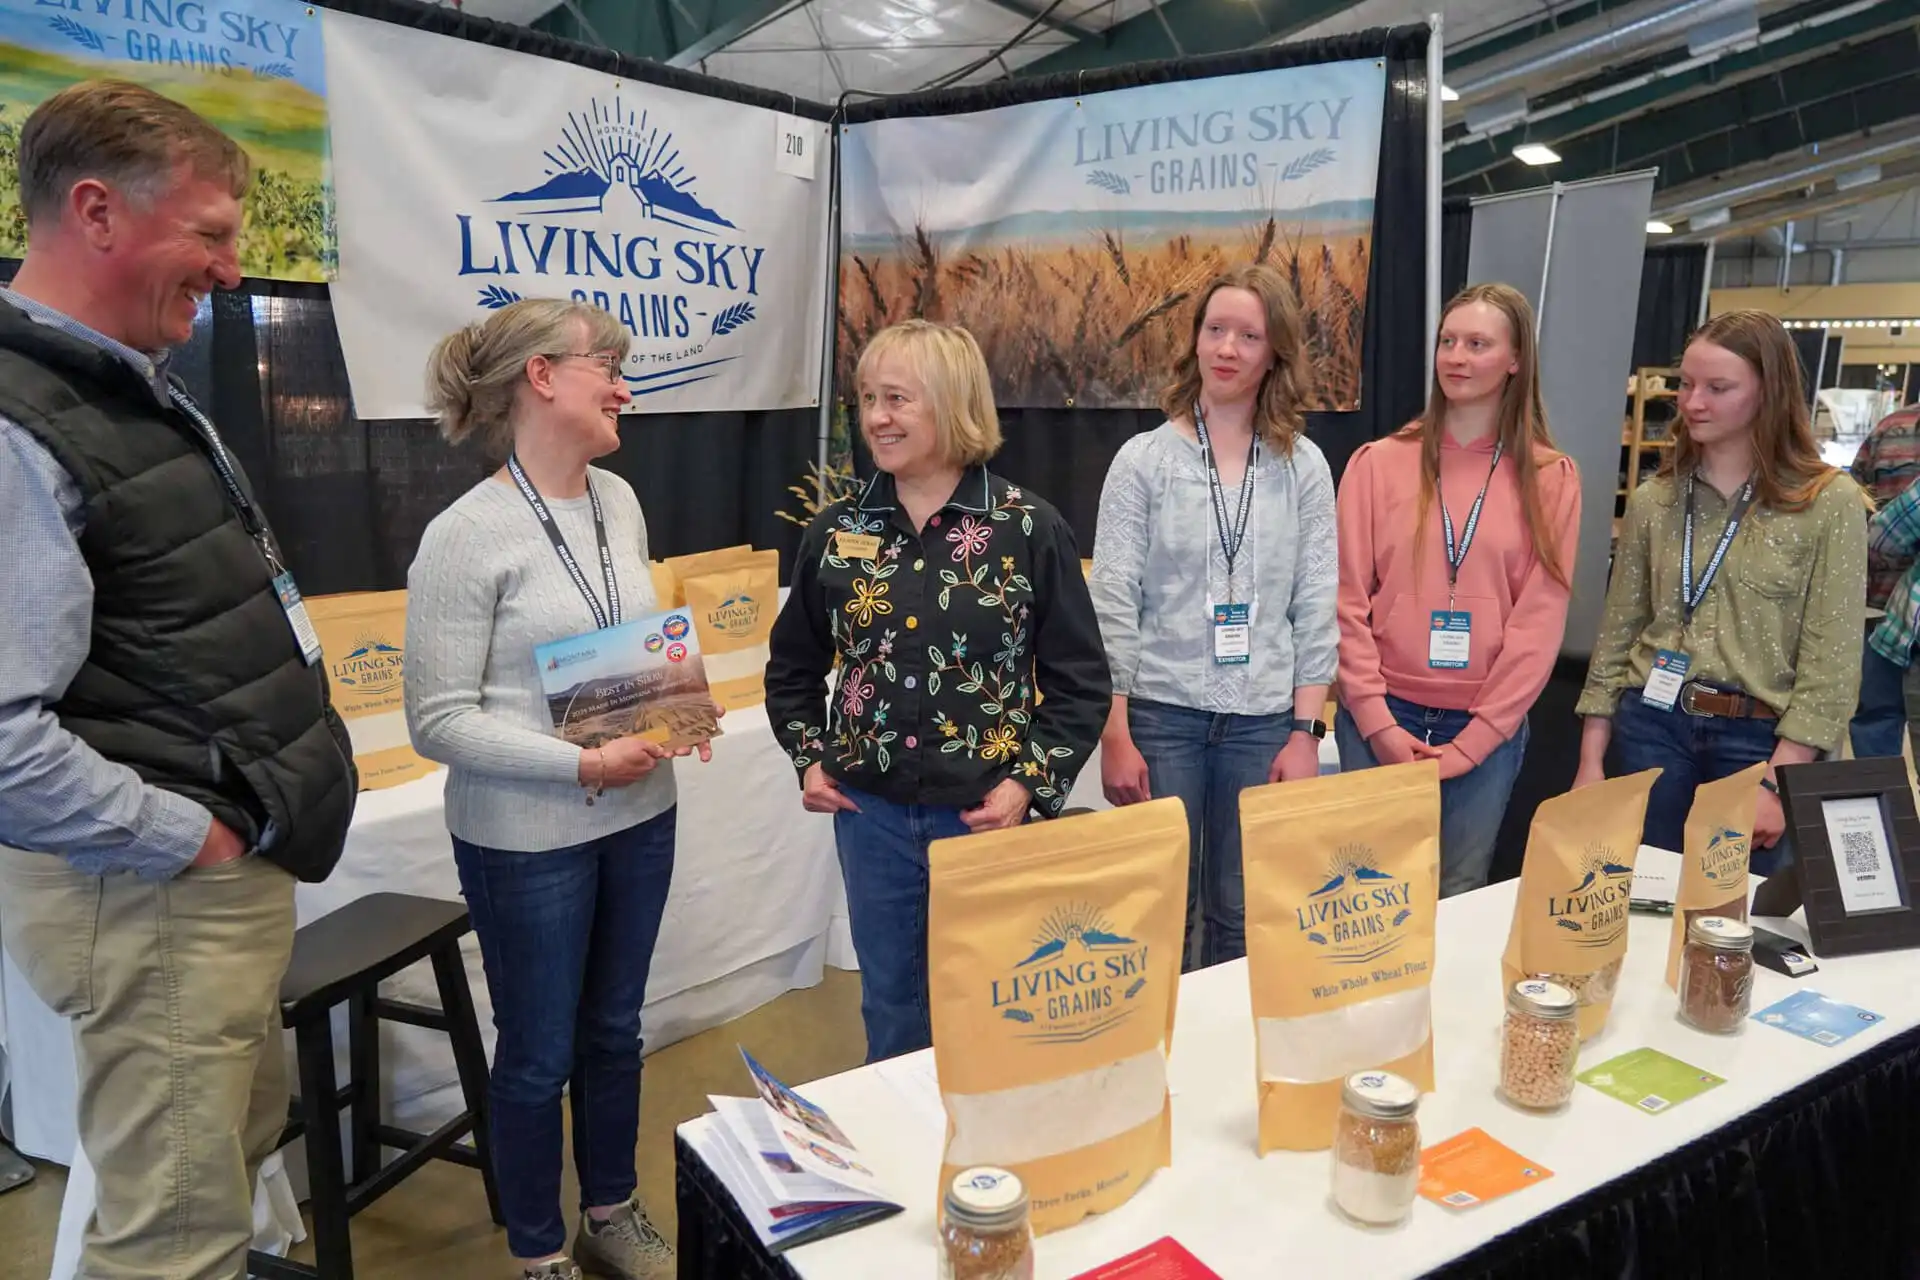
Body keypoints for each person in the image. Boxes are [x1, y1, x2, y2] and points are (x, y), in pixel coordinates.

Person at [0, 81, 357, 1277]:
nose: (231, 267)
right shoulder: (20, 422)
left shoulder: (114, 386)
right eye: (208, 233)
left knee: (219, 1175)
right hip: (156, 893)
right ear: (95, 211)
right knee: (173, 1236)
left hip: (202, 881)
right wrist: (185, 839)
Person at [405, 299, 707, 1280]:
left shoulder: (618, 501)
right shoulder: (464, 534)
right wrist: (578, 762)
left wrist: (662, 716)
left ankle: (608, 1209)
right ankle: (540, 1251)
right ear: (540, 376)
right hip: (527, 838)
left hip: (641, 813)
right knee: (538, 1050)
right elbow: (438, 720)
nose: (624, 385)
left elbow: (615, 652)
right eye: (605, 367)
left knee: (617, 1027)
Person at [766, 319, 1110, 1063]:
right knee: (890, 1002)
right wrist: (808, 756)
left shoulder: (1027, 529)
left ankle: (989, 1164)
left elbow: (1081, 684)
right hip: (872, 818)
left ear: (952, 403)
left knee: (994, 999)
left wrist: (1030, 785)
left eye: (898, 398)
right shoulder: (837, 531)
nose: (877, 418)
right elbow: (791, 667)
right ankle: (902, 1161)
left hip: (984, 815)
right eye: (867, 398)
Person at [1087, 263, 1338, 970]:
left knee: (1242, 910)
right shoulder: (1143, 462)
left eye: (1248, 335)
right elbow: (1114, 605)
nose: (1227, 348)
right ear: (1194, 341)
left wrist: (1305, 732)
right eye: (1215, 329)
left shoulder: (1304, 467)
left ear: (1274, 352)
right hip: (1161, 717)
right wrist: (1116, 732)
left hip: (1263, 723)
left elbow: (1317, 600)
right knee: (1164, 906)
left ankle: (1223, 1061)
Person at [1575, 310, 1868, 873]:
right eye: (1685, 384)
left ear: (1768, 392)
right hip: (1651, 727)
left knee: (1733, 921)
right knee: (1639, 900)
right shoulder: (1654, 501)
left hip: (1757, 744)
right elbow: (1617, 637)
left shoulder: (1828, 504)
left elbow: (1831, 664)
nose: (1692, 403)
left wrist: (1780, 782)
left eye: (1717, 387)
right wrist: (1591, 759)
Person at [1333, 283, 1580, 897]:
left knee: (1458, 895)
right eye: (1448, 342)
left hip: (1485, 730)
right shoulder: (1377, 464)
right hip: (1379, 719)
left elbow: (1539, 621)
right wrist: (1376, 722)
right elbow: (1343, 601)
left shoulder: (1550, 479)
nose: (1457, 357)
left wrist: (1477, 740)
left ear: (1515, 360)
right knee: (1367, 900)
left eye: (1478, 344)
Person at [1846, 398, 1920, 756]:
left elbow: (1857, 521)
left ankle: (1881, 808)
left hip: (1880, 608)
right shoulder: (1890, 430)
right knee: (1875, 719)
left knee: (1875, 720)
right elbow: (1850, 513)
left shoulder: (1890, 429)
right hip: (1883, 616)